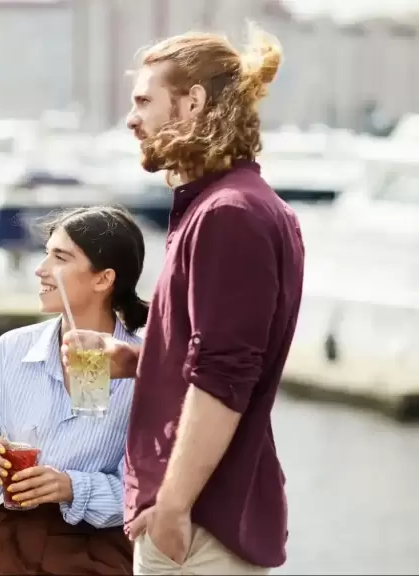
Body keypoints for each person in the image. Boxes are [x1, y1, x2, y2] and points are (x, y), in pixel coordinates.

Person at [63, 24, 305, 575]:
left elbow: (226, 374)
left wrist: (171, 506)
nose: (131, 118)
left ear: (192, 101)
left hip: (197, 523)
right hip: (199, 517)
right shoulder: (239, 207)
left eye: (144, 100)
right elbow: (223, 352)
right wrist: (141, 361)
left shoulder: (228, 215)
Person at [0, 206, 149, 576]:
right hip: (10, 537)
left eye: (60, 257)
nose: (40, 268)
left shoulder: (145, 368)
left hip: (101, 548)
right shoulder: (7, 353)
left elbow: (141, 497)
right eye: (46, 253)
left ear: (103, 278)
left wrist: (69, 487)